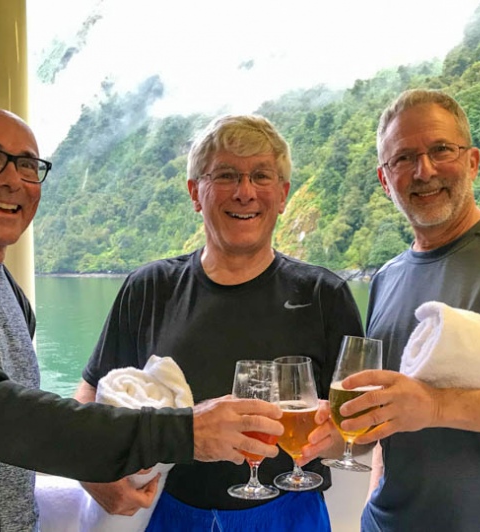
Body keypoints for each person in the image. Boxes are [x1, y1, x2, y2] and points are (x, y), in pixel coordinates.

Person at [0, 108, 285, 532]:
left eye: (28, 165)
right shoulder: (149, 286)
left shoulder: (7, 290)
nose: (12, 179)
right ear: (196, 193)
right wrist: (185, 432)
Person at [74, 114, 364, 530]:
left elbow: (361, 427)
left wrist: (332, 436)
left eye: (261, 176)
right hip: (170, 512)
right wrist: (93, 473)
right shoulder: (149, 288)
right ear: (195, 193)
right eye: (226, 175)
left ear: (282, 195)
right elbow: (89, 392)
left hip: (288, 515)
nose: (245, 192)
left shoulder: (324, 295)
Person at [332, 89, 480, 531]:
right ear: (384, 179)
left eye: (440, 150)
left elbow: (419, 405)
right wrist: (375, 478)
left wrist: (435, 407)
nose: (424, 170)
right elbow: (388, 410)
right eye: (404, 158)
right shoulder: (387, 279)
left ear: (472, 161)